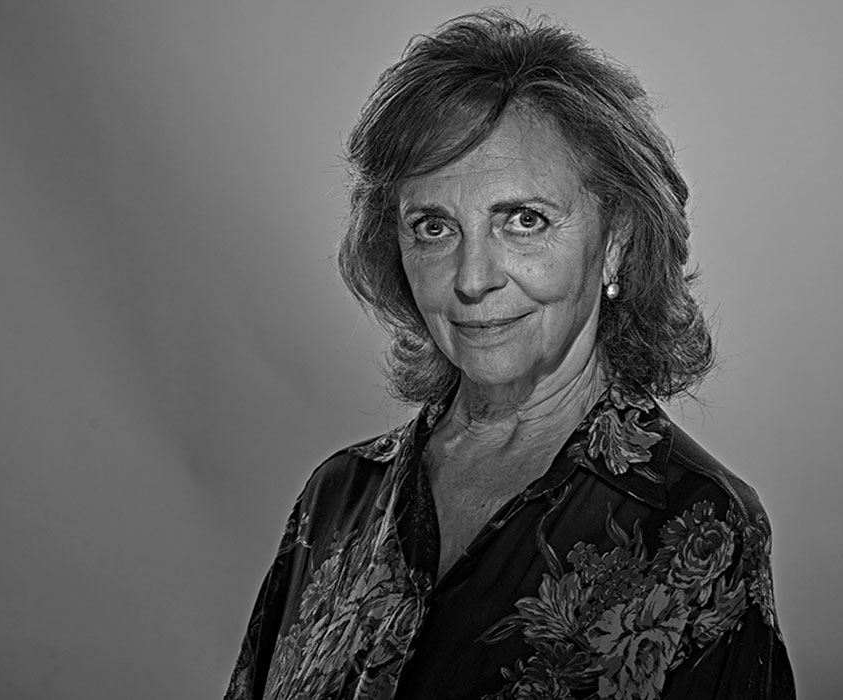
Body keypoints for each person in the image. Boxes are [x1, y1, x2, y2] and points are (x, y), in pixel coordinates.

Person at [225, 10, 795, 700]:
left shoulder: (699, 524)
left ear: (616, 241)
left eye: (524, 221)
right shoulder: (337, 497)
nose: (472, 279)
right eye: (433, 227)